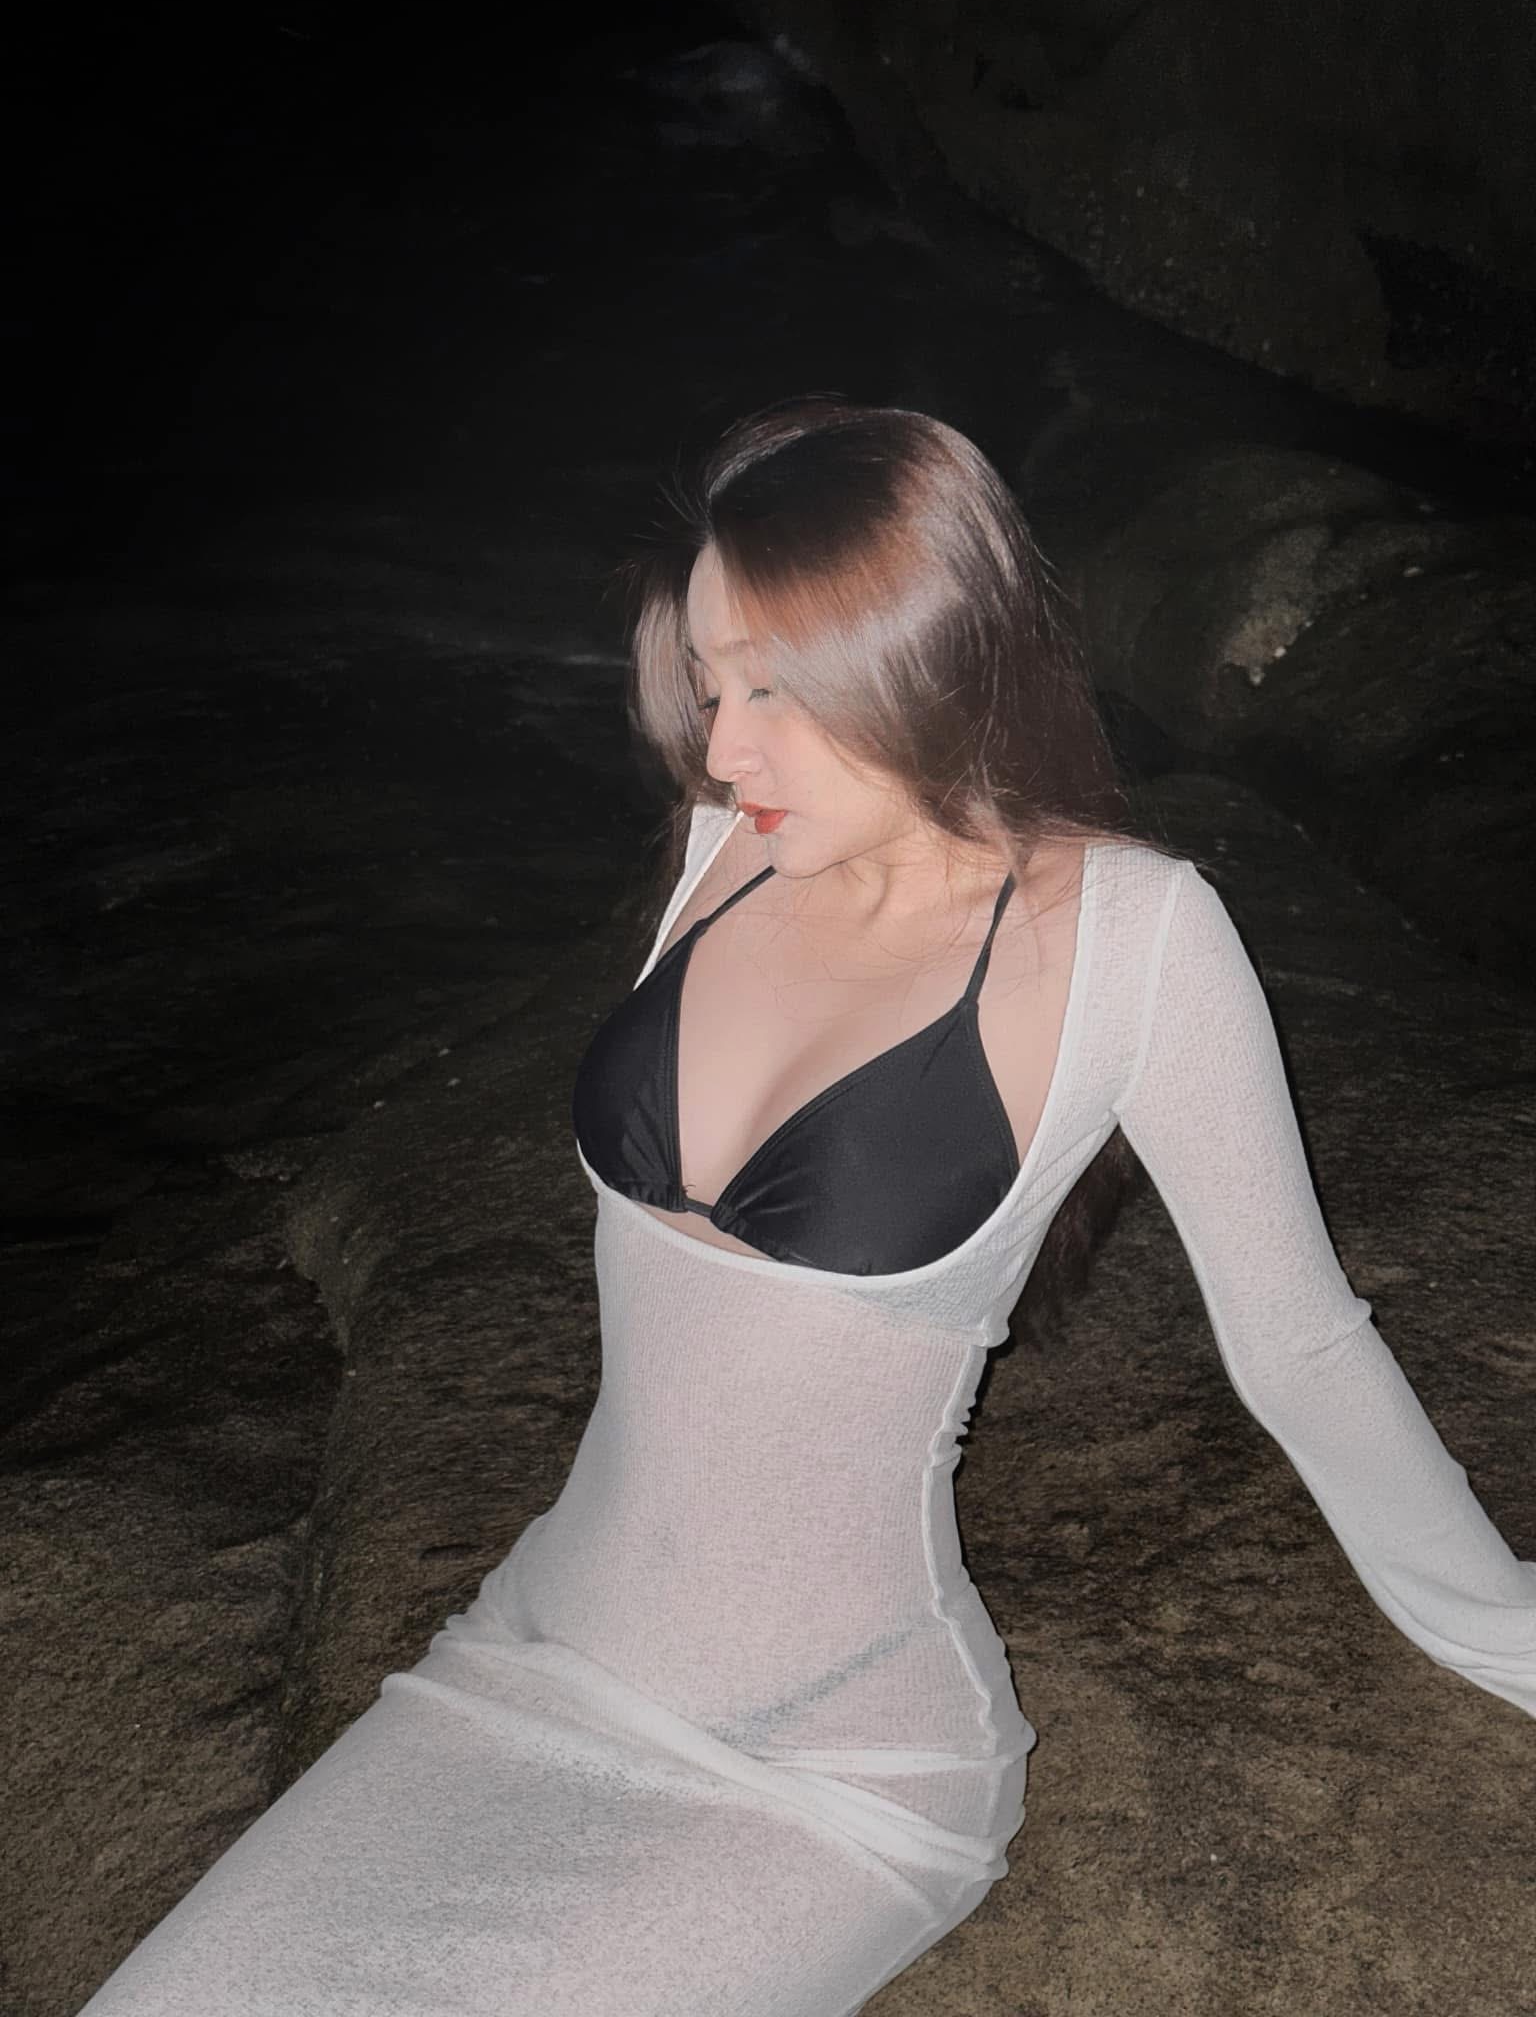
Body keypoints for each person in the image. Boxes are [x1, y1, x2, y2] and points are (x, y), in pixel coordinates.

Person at [77, 399, 1534, 2016]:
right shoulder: (724, 852)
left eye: (775, 687)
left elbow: (1304, 1349)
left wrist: (1511, 1637)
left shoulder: (1134, 934)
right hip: (523, 1660)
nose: (722, 748)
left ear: (929, 657)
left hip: (828, 1758)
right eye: (712, 686)